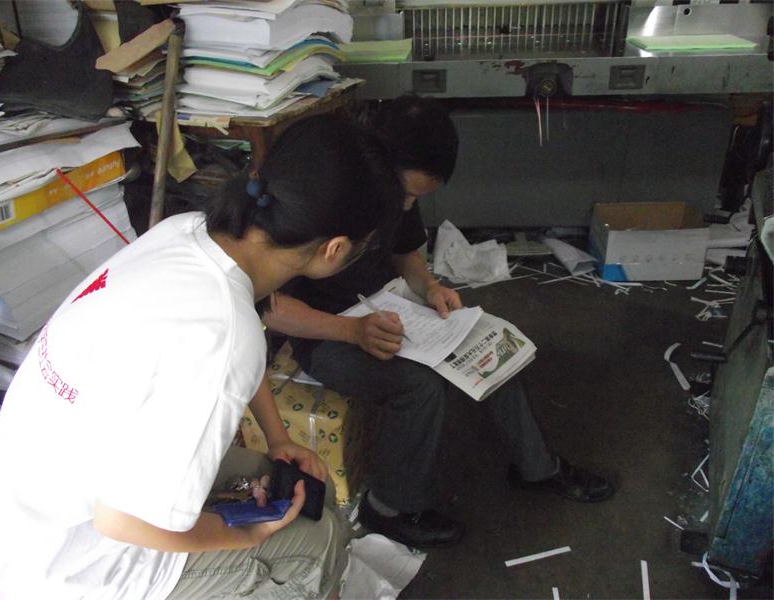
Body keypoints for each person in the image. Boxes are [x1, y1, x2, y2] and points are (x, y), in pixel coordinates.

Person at [0, 115, 402, 600]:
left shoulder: (191, 232)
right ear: (335, 249)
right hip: (74, 572)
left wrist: (278, 436)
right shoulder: (223, 331)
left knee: (290, 492)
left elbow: (232, 338)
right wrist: (244, 535)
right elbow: (122, 521)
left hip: (23, 524)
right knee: (317, 541)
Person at [263, 96, 615, 549]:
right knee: (418, 386)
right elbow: (271, 307)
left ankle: (537, 467)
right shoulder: (325, 197)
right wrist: (349, 330)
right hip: (323, 330)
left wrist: (429, 287)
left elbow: (403, 249)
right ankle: (388, 508)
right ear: (376, 162)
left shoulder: (396, 190)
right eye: (404, 192)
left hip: (387, 305)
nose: (407, 204)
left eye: (418, 197)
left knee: (489, 343)